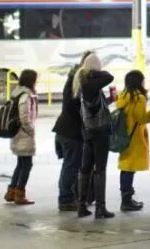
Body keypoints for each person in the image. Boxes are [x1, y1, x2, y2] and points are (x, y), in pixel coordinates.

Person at [74, 54, 115, 219]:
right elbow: (109, 76)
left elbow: (94, 106)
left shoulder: (84, 84)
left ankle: (81, 205)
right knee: (100, 169)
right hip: (100, 132)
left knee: (86, 168)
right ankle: (100, 208)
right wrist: (96, 70)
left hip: (89, 131)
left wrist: (110, 99)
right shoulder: (90, 83)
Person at [53, 51, 93, 211]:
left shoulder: (73, 78)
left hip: (65, 130)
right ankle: (65, 199)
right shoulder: (78, 82)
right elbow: (77, 107)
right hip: (71, 133)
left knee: (70, 166)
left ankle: (69, 197)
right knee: (71, 166)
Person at [116, 70, 150, 211]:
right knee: (129, 169)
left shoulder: (124, 95)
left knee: (126, 168)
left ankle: (126, 199)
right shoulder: (139, 98)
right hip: (134, 138)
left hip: (124, 136)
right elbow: (142, 118)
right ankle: (126, 202)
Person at [7, 69, 39, 206]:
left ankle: (11, 192)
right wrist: (30, 130)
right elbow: (24, 116)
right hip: (23, 134)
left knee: (21, 164)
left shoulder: (17, 93)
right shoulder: (25, 95)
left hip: (18, 134)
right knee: (27, 164)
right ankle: (20, 194)